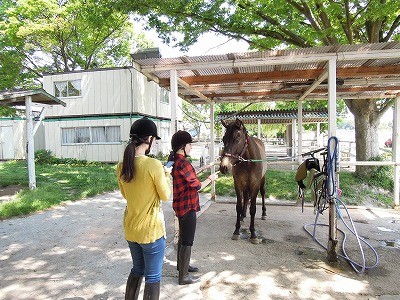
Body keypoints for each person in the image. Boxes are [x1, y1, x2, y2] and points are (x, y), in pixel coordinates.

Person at [117, 117, 171, 300]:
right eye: (154, 139)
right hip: (151, 232)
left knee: (137, 269)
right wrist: (166, 175)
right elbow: (166, 196)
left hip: (131, 229)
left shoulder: (121, 165)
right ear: (149, 139)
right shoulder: (154, 165)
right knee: (153, 276)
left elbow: (126, 195)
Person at [168, 130, 218, 285]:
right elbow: (197, 186)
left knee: (182, 238)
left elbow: (188, 176)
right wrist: (211, 178)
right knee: (187, 241)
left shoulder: (174, 160)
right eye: (189, 144)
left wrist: (203, 169)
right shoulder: (184, 163)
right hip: (188, 206)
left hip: (179, 205)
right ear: (183, 146)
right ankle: (183, 277)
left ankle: (182, 266)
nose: (191, 147)